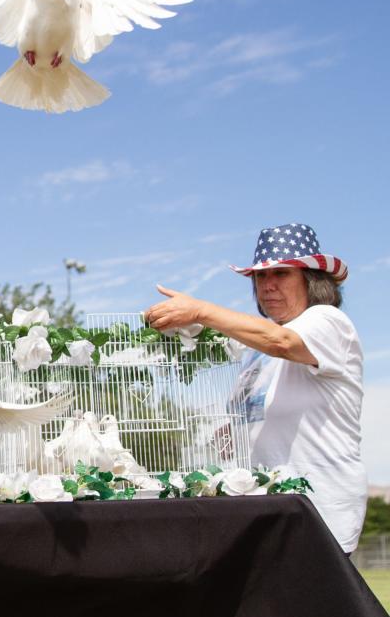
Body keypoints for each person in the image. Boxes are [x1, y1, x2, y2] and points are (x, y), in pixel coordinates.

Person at [144, 222, 366, 553]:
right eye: (261, 277)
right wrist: (233, 432)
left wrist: (200, 311)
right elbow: (260, 407)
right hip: (271, 510)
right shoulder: (254, 355)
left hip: (319, 512)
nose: (268, 285)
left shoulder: (326, 321)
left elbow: (281, 341)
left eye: (281, 274)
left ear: (311, 280)